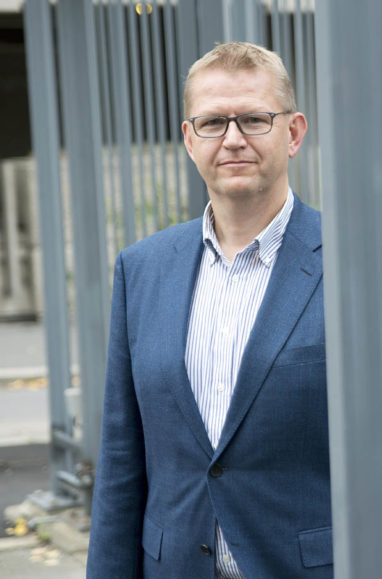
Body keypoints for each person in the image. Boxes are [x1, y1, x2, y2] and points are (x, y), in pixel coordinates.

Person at [86, 42, 332, 578]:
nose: (233, 138)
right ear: (189, 139)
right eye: (214, 122)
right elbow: (122, 459)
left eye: (255, 119)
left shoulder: (346, 264)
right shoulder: (142, 269)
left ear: (293, 133)